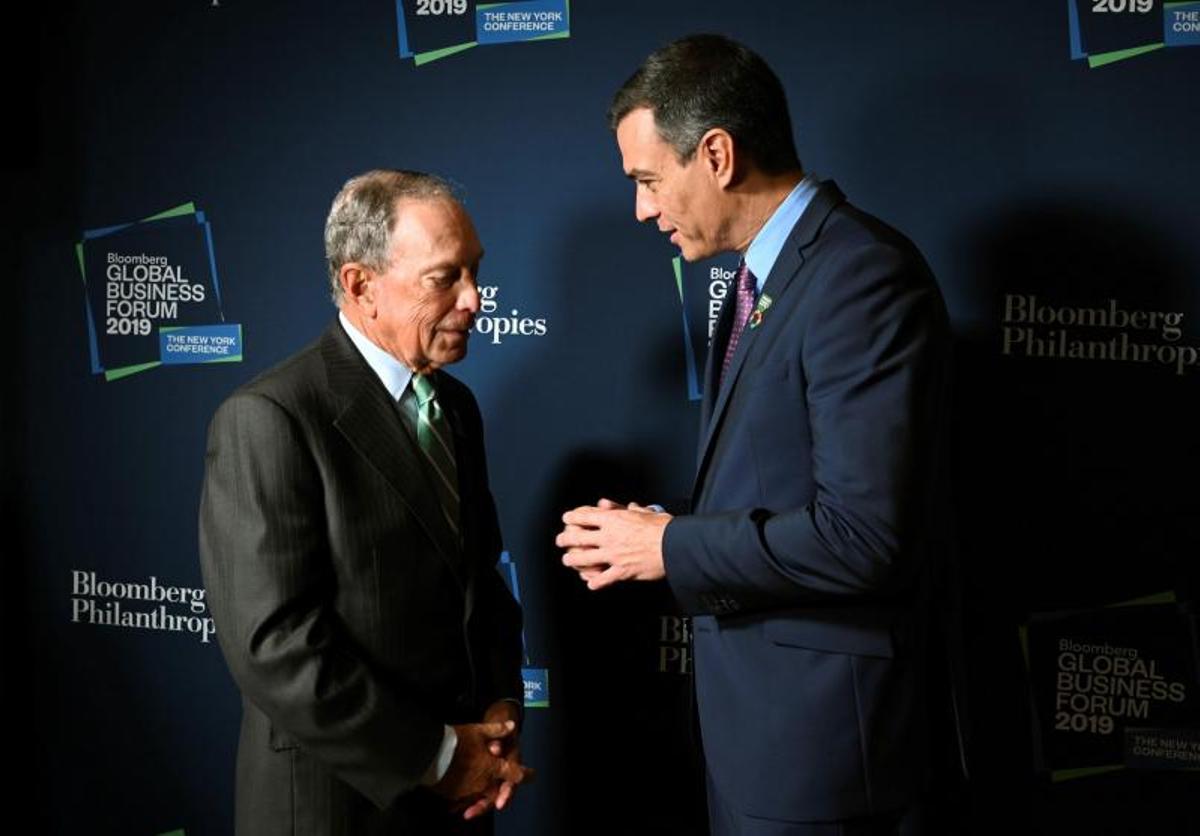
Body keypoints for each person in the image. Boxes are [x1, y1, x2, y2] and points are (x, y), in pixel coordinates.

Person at [558, 35, 951, 835]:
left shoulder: (859, 278)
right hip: (759, 742)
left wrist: (666, 548)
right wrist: (647, 532)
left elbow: (865, 537)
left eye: (647, 180)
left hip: (825, 759)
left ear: (717, 154)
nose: (641, 208)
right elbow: (777, 479)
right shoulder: (757, 279)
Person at [199, 169, 531, 835]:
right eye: (446, 277)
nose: (474, 299)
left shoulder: (456, 407)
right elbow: (276, 645)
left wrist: (495, 718)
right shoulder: (270, 417)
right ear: (360, 285)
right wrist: (439, 758)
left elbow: (477, 581)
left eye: (475, 272)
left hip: (459, 800)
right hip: (336, 807)